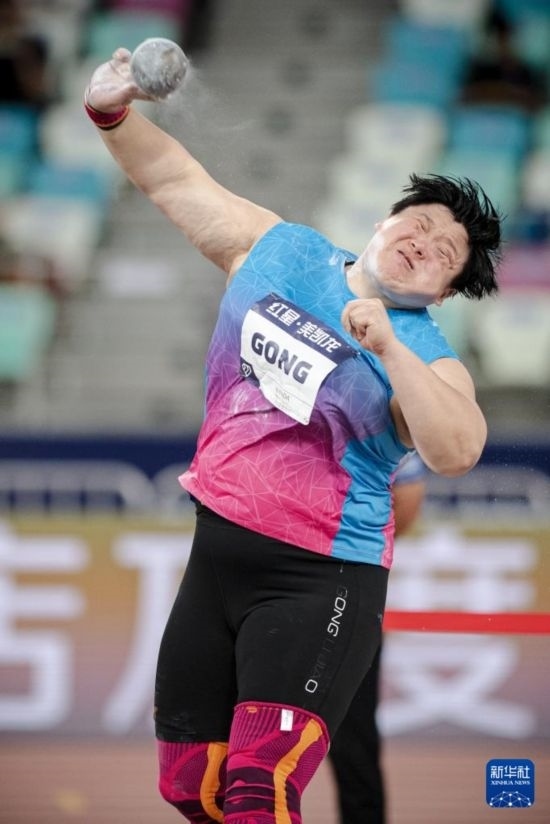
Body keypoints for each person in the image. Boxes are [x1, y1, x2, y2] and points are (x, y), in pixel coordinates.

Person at [84, 47, 502, 824]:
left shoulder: (430, 356)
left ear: (446, 292)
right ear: (382, 222)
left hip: (321, 581)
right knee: (191, 787)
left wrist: (390, 348)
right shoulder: (282, 248)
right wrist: (110, 113)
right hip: (216, 557)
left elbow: (457, 450)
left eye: (445, 254)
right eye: (418, 224)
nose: (424, 243)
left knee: (259, 788)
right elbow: (173, 178)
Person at [329, 452, 428, 824]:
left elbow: (410, 495)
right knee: (250, 732)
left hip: (348, 586)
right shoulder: (262, 417)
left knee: (353, 738)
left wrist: (352, 541)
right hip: (269, 588)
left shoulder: (377, 420)